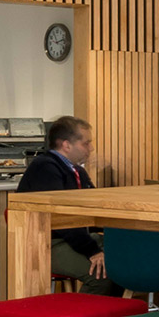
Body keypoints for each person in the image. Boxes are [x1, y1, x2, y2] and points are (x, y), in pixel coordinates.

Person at [17, 115, 120, 296]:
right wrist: (93, 251)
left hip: (74, 238)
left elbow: (92, 207)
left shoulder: (76, 170)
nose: (91, 148)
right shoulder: (45, 168)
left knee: (125, 262)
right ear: (66, 145)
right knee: (102, 276)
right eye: (86, 143)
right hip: (46, 243)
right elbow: (63, 218)